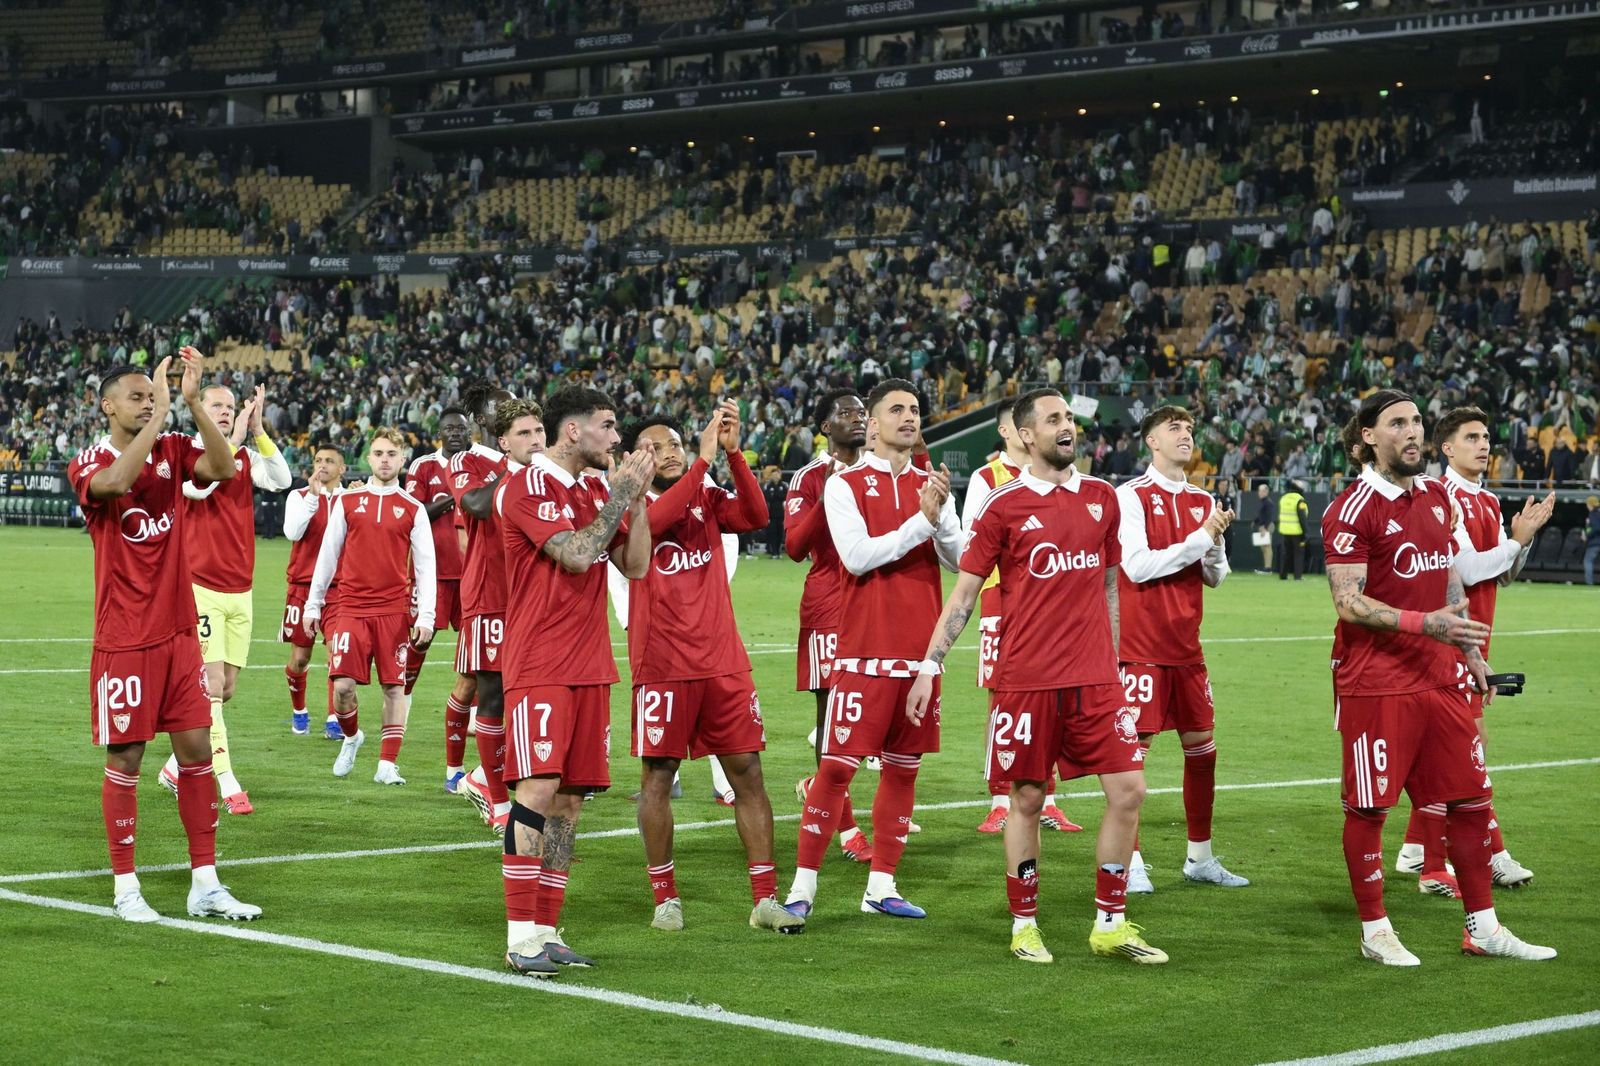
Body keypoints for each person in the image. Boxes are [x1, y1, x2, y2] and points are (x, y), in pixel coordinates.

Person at [907, 388, 1163, 965]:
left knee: (1130, 792)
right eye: (1053, 419)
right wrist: (930, 664)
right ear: (1026, 436)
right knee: (1026, 798)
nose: (1067, 426)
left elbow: (1109, 585)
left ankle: (1110, 922)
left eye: (1069, 417)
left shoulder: (1103, 498)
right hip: (1026, 681)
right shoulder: (1002, 506)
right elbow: (966, 594)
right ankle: (1024, 924)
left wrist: (1115, 659)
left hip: (1097, 680)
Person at [1322, 389, 1553, 965]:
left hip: (1442, 677)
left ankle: (1483, 926)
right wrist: (1424, 623)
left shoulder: (1433, 496)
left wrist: (1471, 654)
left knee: (1471, 800)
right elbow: (1349, 602)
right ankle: (1376, 930)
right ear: (1369, 437)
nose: (1412, 432)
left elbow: (1449, 576)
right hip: (1377, 681)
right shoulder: (1350, 509)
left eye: (1417, 421)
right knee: (1371, 810)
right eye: (1397, 423)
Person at [67, 349, 260, 922]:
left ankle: (205, 881)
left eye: (152, 396)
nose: (149, 402)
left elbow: (224, 469)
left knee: (198, 752)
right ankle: (126, 889)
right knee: (126, 758)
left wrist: (195, 403)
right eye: (137, 395)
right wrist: (160, 419)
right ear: (107, 406)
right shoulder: (89, 459)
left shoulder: (174, 450)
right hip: (124, 637)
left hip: (179, 634)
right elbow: (118, 480)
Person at [782, 378, 962, 923]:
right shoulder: (845, 485)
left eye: (914, 410)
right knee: (836, 771)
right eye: (896, 410)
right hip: (862, 654)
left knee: (903, 772)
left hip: (921, 657)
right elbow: (858, 557)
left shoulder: (930, 486)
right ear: (874, 425)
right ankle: (802, 890)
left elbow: (959, 558)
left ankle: (881, 885)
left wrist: (942, 517)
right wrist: (923, 521)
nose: (909, 417)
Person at [620, 403, 803, 934]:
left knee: (749, 774)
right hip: (662, 665)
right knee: (658, 777)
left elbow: (755, 517)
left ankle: (765, 898)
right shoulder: (626, 503)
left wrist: (733, 454)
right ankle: (665, 898)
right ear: (637, 458)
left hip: (723, 662)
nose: (672, 451)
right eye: (656, 446)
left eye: (676, 441)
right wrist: (701, 463)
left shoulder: (704, 492)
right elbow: (655, 523)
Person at [498, 387, 655, 977]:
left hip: (590, 663)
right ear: (573, 432)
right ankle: (519, 937)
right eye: (608, 427)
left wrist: (633, 504)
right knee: (537, 792)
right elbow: (580, 553)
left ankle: (546, 926)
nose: (618, 439)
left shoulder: (593, 489)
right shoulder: (527, 485)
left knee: (568, 804)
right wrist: (619, 497)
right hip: (540, 662)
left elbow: (634, 565)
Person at [1392, 407, 1555, 891]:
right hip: (1449, 640)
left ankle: (1416, 849)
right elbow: (1463, 569)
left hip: (1475, 641)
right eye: (1471, 437)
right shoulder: (1442, 497)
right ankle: (1492, 854)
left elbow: (1503, 574)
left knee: (1452, 756)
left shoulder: (1485, 500)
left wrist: (1522, 543)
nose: (1484, 445)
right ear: (1446, 448)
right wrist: (1515, 542)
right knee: (1467, 753)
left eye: (1486, 437)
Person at [1116, 406, 1247, 895]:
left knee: (1203, 753)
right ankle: (1129, 862)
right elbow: (1137, 567)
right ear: (1151, 441)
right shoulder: (1129, 496)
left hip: (1187, 649)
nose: (1186, 436)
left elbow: (1215, 575)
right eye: (1174, 429)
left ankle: (1200, 858)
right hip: (1140, 649)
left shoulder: (1201, 498)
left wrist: (1213, 545)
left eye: (1190, 429)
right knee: (1133, 760)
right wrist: (1201, 537)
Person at [157, 383, 291, 815]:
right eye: (217, 405)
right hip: (199, 585)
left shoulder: (244, 455)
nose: (226, 412)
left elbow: (281, 479)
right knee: (210, 686)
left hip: (241, 587)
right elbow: (200, 488)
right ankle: (227, 780)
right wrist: (232, 443)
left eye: (232, 408)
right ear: (198, 409)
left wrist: (258, 432)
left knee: (225, 689)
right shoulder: (189, 454)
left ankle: (176, 765)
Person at [961, 404, 1080, 835]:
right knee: (1003, 697)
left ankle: (1047, 799)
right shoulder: (986, 478)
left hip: (1052, 603)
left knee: (1055, 700)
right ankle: (999, 799)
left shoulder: (1060, 475)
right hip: (1000, 599)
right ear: (1008, 430)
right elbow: (970, 543)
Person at [303, 427, 438, 785]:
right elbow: (327, 557)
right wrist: (312, 606)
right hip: (350, 608)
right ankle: (352, 737)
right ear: (368, 458)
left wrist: (426, 615)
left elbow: (426, 567)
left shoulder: (413, 509)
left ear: (402, 459)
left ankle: (386, 764)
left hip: (394, 612)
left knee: (394, 688)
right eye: (378, 453)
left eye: (391, 454)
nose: (384, 460)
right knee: (343, 688)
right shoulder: (348, 502)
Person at [782, 388, 873, 865]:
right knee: (833, 720)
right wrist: (834, 489)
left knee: (881, 722)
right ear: (824, 427)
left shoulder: (882, 470)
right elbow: (795, 546)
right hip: (830, 608)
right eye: (844, 413)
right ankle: (848, 828)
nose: (856, 418)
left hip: (878, 607)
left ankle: (819, 788)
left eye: (861, 411)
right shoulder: (810, 477)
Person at [454, 393, 532, 833]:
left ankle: (487, 779)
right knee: (494, 695)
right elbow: (477, 505)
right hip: (492, 596)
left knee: (530, 704)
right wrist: (517, 468)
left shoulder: (548, 466)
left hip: (539, 602)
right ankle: (499, 799)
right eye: (500, 408)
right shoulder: (466, 462)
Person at [403, 408, 477, 792]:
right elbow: (413, 514)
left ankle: (477, 715)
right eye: (448, 428)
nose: (454, 434)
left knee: (477, 653)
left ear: (469, 432)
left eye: (460, 428)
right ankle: (401, 705)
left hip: (472, 576)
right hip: (430, 574)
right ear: (438, 433)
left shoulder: (478, 463)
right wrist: (447, 502)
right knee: (418, 644)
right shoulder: (423, 467)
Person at [281, 445, 346, 738]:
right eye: (318, 460)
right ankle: (299, 712)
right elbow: (292, 532)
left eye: (330, 461)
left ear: (342, 469)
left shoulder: (351, 499)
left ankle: (334, 718)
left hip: (339, 589)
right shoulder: (298, 496)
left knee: (337, 653)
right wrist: (312, 497)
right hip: (303, 587)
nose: (322, 465)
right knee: (300, 659)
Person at [1277, 479, 1309, 580]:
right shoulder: (1300, 500)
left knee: (1286, 554)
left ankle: (1283, 575)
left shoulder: (1283, 498)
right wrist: (1306, 532)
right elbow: (1302, 518)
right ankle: (1297, 576)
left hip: (1285, 531)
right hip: (1297, 531)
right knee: (1298, 554)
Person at [1253, 481, 1274, 572]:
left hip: (1267, 526)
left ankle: (1268, 568)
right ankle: (1266, 566)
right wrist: (1255, 521)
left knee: (1267, 547)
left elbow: (1269, 516)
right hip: (1263, 526)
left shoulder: (1268, 503)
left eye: (1262, 491)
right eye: (1259, 491)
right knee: (1264, 547)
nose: (1260, 493)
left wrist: (1264, 527)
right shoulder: (1262, 502)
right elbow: (1260, 515)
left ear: (1266, 492)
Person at [1586, 496, 1600, 586]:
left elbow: (1596, 527)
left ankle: (1589, 583)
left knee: (1587, 561)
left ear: (1590, 504)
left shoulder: (1593, 514)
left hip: (1595, 543)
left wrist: (1587, 535)